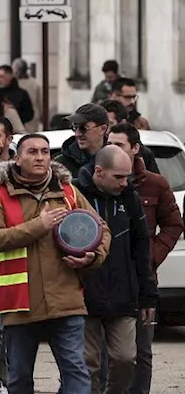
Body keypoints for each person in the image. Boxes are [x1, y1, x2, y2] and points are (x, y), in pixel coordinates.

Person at [0, 132, 109, 394]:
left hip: (66, 300)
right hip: (19, 302)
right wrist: (38, 226)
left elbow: (101, 229)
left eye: (45, 152)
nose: (40, 157)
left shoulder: (68, 191)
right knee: (18, 378)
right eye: (32, 152)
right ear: (16, 158)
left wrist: (92, 257)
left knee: (76, 372)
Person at [108, 123, 183, 394]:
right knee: (107, 354)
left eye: (119, 145)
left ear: (135, 149)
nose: (112, 149)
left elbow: (174, 224)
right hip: (103, 277)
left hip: (142, 280)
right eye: (109, 143)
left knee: (141, 351)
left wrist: (152, 255)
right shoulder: (97, 179)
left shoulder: (155, 183)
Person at [74, 145, 155, 394]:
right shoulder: (75, 193)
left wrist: (147, 295)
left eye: (127, 176)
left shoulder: (129, 198)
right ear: (98, 172)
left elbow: (141, 248)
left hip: (123, 294)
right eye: (118, 177)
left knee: (125, 358)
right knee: (89, 365)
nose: (124, 183)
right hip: (84, 294)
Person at [57, 104, 108, 176]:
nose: (77, 134)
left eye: (83, 128)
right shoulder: (60, 166)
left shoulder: (115, 160)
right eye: (75, 127)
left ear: (102, 129)